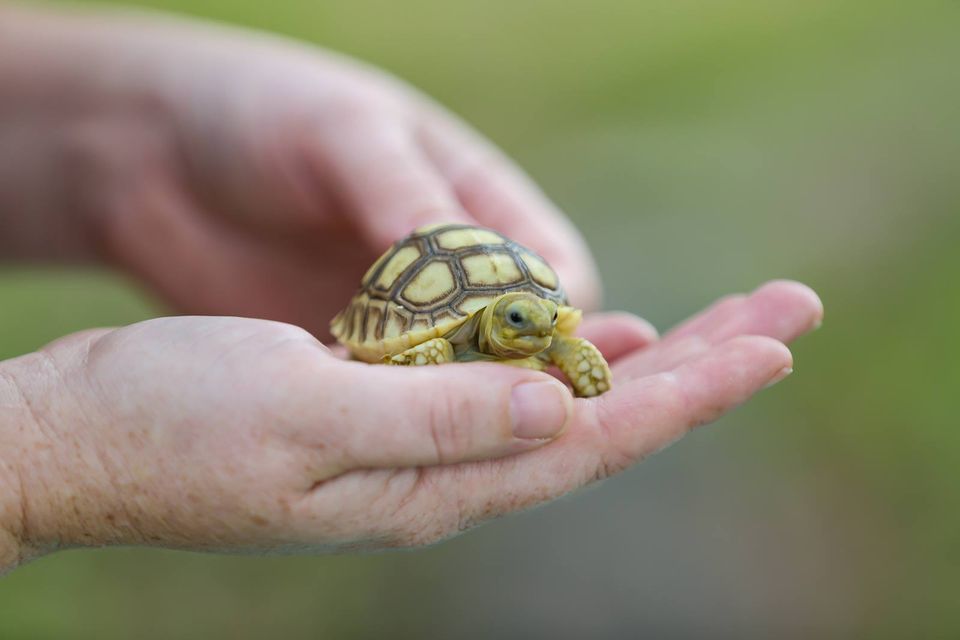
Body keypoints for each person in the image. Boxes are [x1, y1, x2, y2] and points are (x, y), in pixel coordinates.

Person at [0, 6, 822, 574]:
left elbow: (561, 337)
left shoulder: (539, 330)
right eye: (515, 324)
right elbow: (414, 343)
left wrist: (129, 128)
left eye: (535, 324)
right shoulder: (445, 334)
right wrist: (46, 452)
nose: (529, 336)